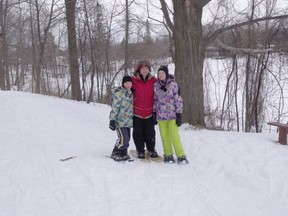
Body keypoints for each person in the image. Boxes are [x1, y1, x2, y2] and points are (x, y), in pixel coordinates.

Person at [153, 65, 188, 164]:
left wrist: (179, 114)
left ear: (166, 74)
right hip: (161, 116)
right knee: (164, 136)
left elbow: (178, 99)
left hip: (172, 115)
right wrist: (154, 113)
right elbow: (155, 100)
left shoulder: (173, 84)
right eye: (159, 73)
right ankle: (168, 155)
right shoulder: (155, 86)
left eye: (162, 73)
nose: (160, 75)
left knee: (174, 136)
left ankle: (181, 155)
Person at [132, 60, 159, 159]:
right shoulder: (133, 80)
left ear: (149, 70)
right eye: (143, 68)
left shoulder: (154, 81)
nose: (145, 70)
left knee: (150, 132)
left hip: (149, 113)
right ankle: (140, 150)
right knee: (138, 132)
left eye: (147, 68)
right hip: (137, 113)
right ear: (139, 69)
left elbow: (163, 85)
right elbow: (125, 88)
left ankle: (151, 150)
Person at [109, 75, 133, 161]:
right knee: (123, 139)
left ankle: (123, 152)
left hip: (128, 122)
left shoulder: (131, 94)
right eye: (127, 83)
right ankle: (116, 152)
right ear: (123, 84)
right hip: (120, 121)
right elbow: (115, 107)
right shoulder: (119, 93)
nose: (128, 85)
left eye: (130, 83)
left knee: (128, 138)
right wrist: (112, 120)